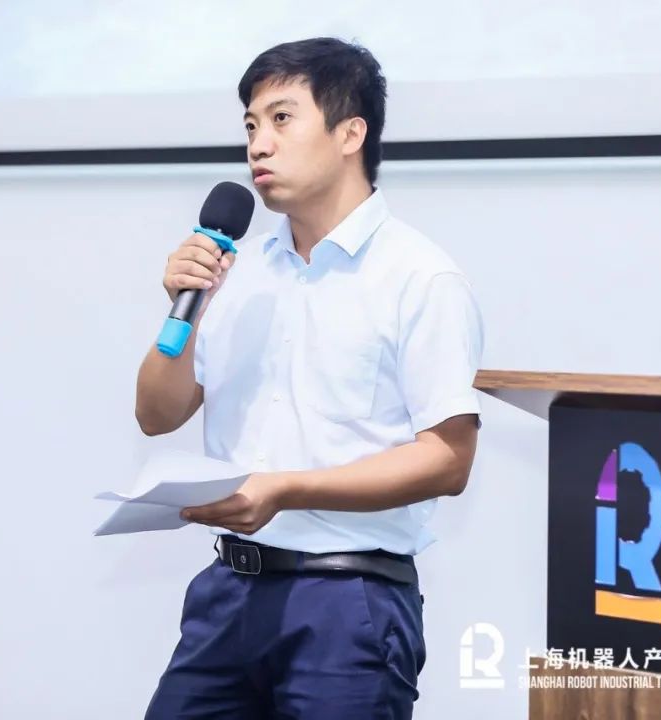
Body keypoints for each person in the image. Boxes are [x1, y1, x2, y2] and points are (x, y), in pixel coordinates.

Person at [135, 36, 485, 719]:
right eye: (250, 126)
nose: (258, 146)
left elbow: (448, 459)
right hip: (227, 592)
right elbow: (156, 413)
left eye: (281, 119)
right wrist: (185, 308)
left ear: (350, 133)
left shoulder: (421, 277)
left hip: (348, 603)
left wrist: (286, 489)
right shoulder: (236, 271)